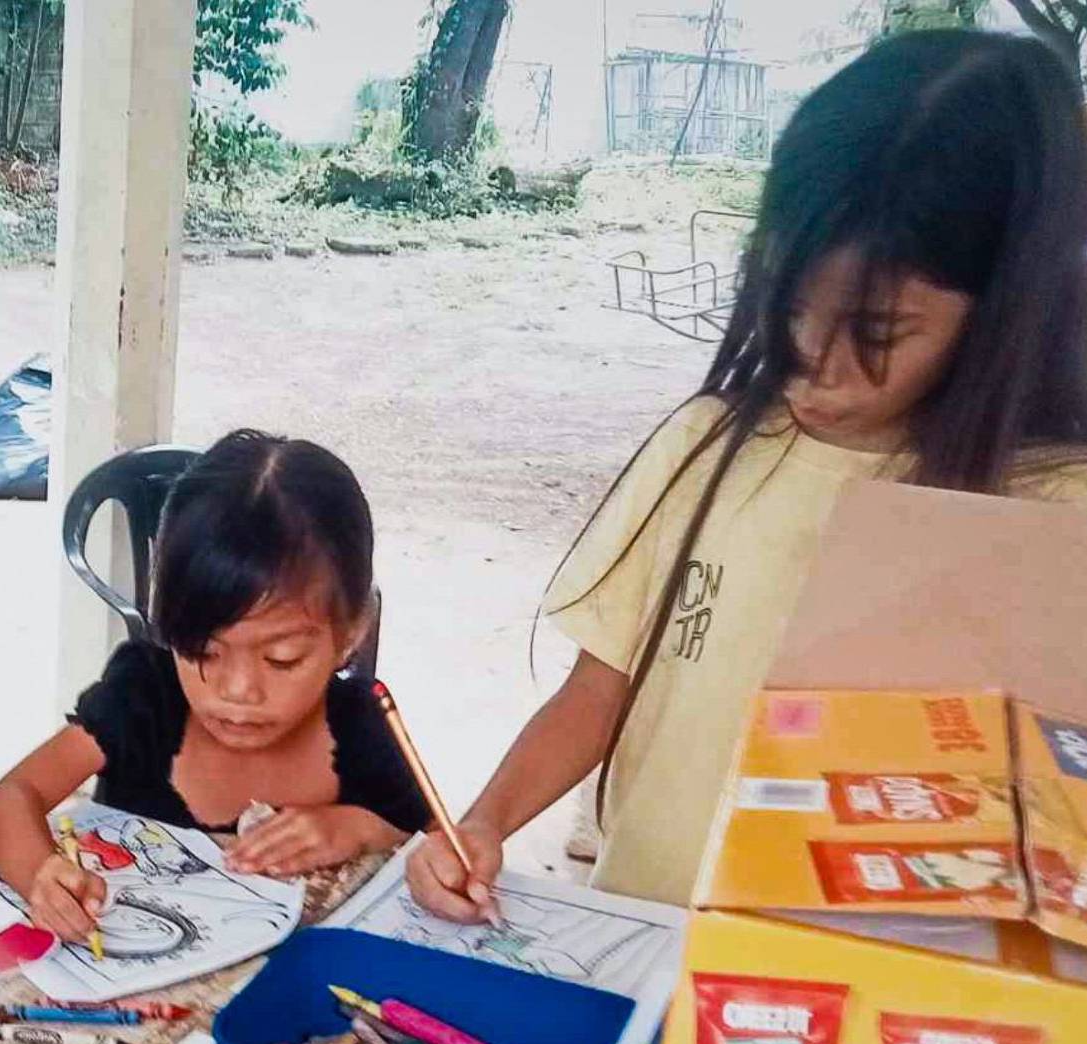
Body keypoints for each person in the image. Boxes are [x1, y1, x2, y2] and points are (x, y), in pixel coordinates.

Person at [408, 30, 1087, 921]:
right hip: (644, 939)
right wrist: (481, 824)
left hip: (874, 1008)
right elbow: (596, 690)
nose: (812, 360)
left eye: (877, 333)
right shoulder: (705, 444)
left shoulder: (1053, 519)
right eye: (790, 301)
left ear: (1007, 309)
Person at [0, 429, 430, 941]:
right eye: (202, 651)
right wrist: (40, 874)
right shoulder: (146, 697)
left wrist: (361, 828)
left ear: (350, 635)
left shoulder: (363, 726)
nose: (237, 690)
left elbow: (435, 846)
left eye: (282, 659)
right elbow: (11, 797)